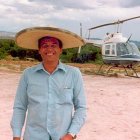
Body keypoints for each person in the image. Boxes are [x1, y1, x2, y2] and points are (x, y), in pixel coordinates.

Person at [11, 27, 86, 140]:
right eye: (45, 45)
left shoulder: (74, 74)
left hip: (63, 137)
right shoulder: (28, 74)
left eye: (54, 45)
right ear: (39, 50)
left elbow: (81, 108)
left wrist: (70, 134)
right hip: (33, 136)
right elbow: (20, 107)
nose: (49, 49)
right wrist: (16, 136)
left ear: (60, 49)